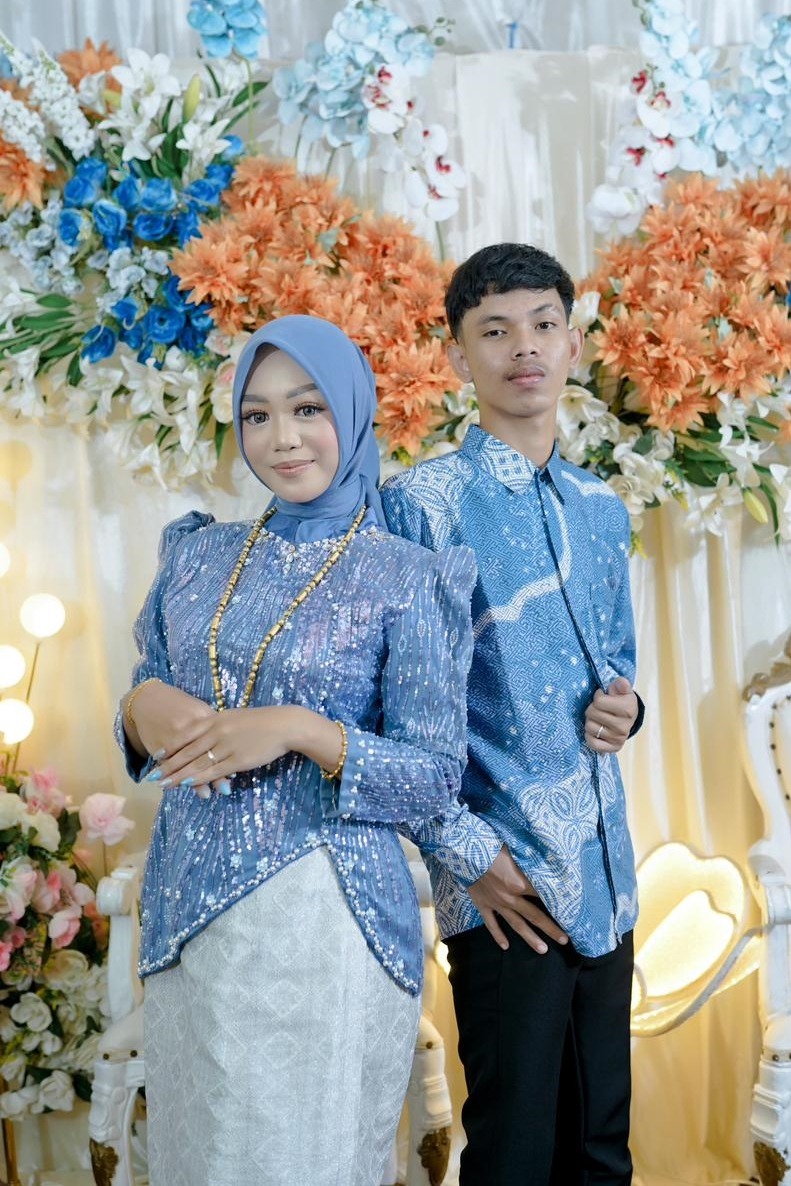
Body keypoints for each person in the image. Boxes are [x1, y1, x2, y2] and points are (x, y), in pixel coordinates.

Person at [115, 314, 477, 1186]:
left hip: (326, 919)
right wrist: (135, 706)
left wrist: (298, 729)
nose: (282, 438)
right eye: (258, 415)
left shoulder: (408, 575)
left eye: (308, 409)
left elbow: (434, 778)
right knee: (200, 1157)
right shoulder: (197, 556)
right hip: (187, 915)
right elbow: (151, 686)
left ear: (350, 411)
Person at [381, 242, 644, 1186]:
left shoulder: (600, 507)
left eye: (542, 325)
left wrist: (628, 710)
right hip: (503, 890)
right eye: (494, 331)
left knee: (600, 1153)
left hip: (607, 877)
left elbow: (619, 667)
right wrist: (471, 861)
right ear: (458, 356)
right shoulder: (420, 506)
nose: (522, 347)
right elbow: (394, 713)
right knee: (514, 1157)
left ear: (573, 344)